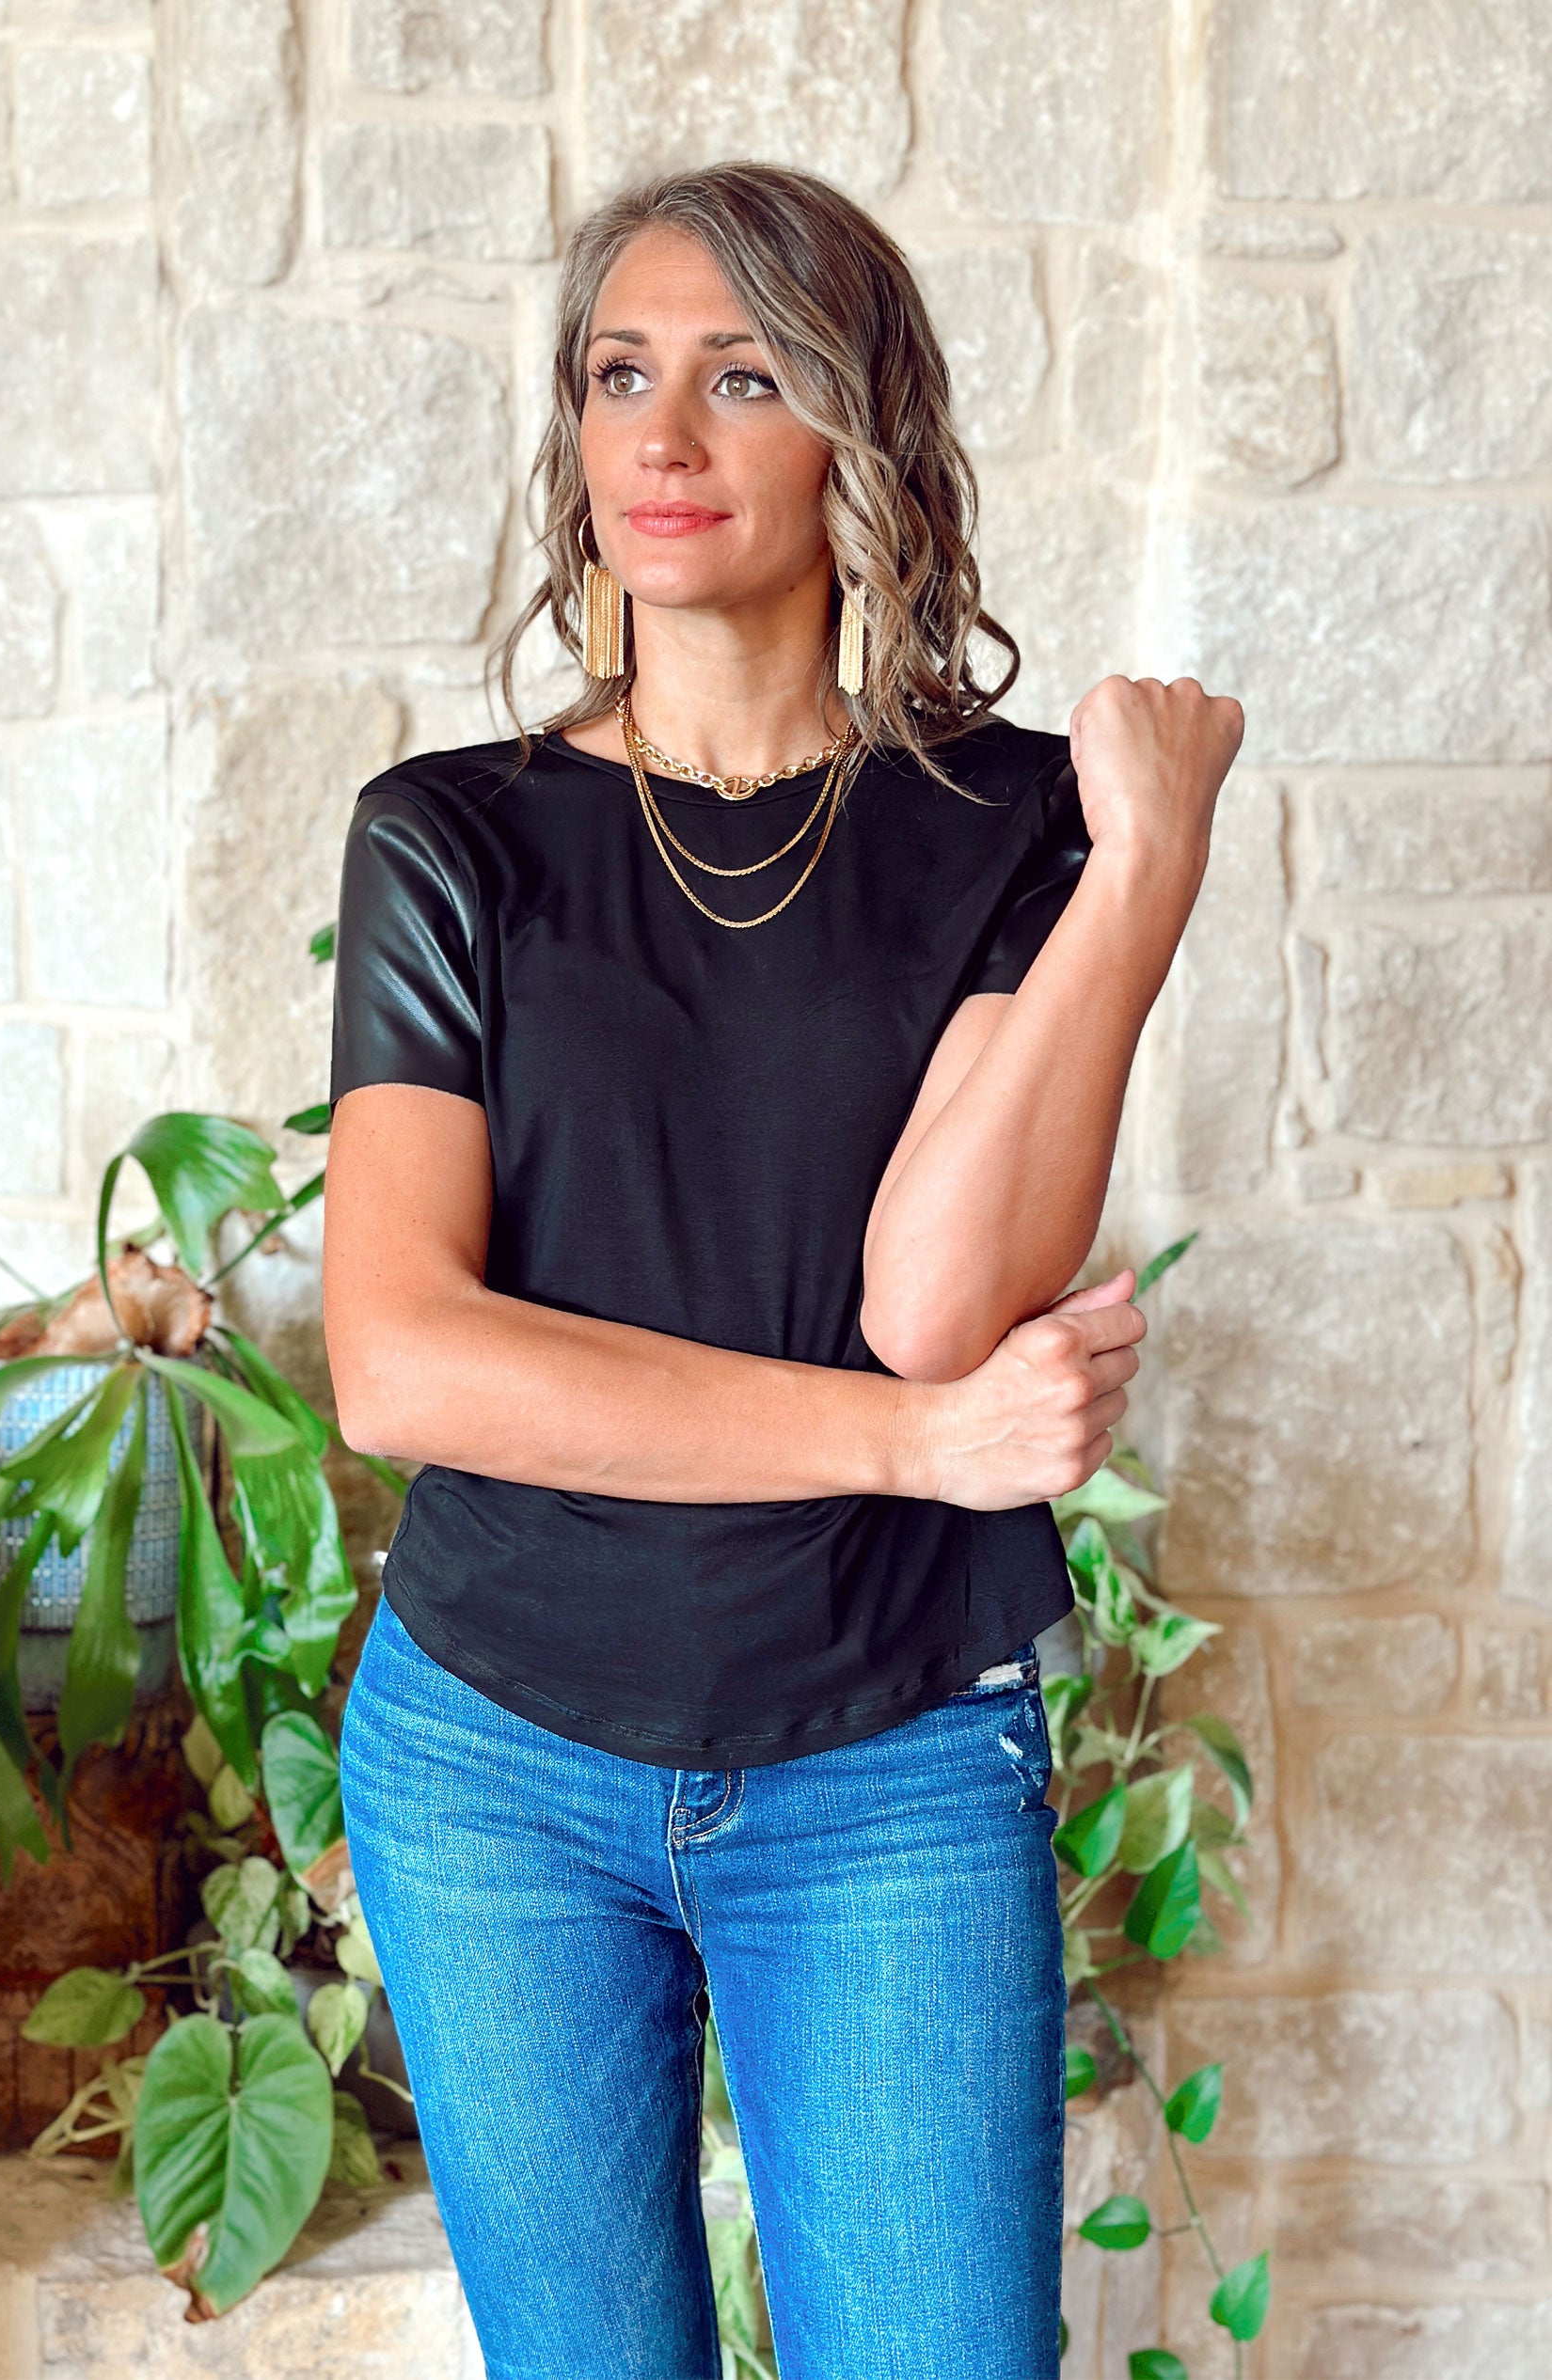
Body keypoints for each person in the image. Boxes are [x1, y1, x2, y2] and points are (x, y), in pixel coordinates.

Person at [324, 160, 1243, 2380]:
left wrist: (1142, 874)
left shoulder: (1012, 822)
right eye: (616, 376)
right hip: (492, 1760)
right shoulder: (450, 837)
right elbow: (402, 1361)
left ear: (860, 431)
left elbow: (934, 1299)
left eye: (740, 379)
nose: (660, 436)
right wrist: (919, 1448)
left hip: (886, 1760)